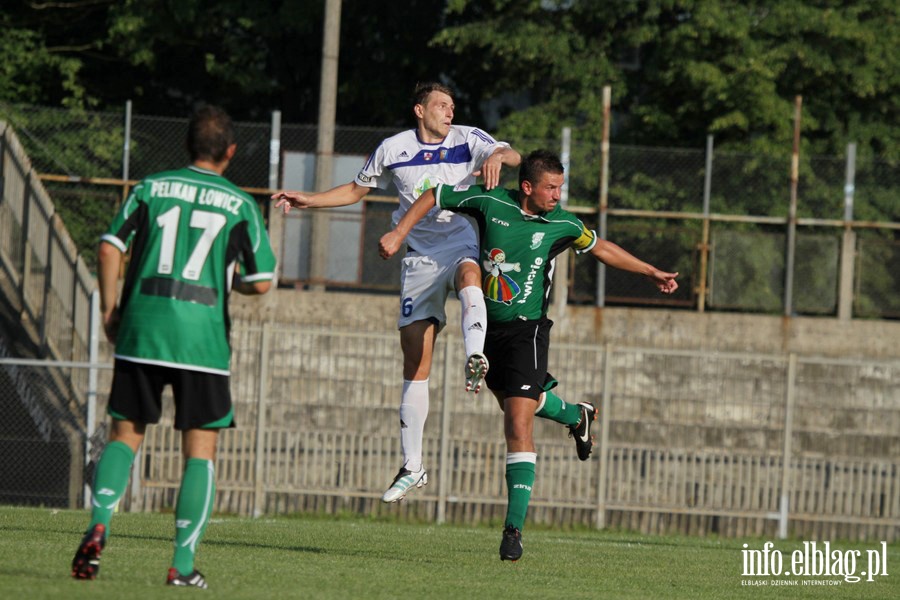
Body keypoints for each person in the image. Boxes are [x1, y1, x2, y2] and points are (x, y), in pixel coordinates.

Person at [379, 149, 679, 561]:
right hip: (486, 328)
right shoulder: (491, 202)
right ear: (527, 187)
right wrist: (399, 234)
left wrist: (651, 272)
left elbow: (602, 247)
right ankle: (577, 415)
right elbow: (434, 195)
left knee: (516, 423)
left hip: (527, 331)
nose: (558, 194)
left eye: (560, 186)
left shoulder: (562, 223)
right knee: (523, 402)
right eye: (550, 187)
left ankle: (513, 530)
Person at [272, 82, 521, 503]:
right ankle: (412, 466)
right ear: (419, 110)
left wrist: (498, 154)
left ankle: (474, 353)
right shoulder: (393, 149)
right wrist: (308, 200)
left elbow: (512, 154)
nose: (449, 110)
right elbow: (355, 190)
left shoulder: (468, 137)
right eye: (441, 105)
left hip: (460, 243)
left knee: (469, 277)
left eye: (452, 105)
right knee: (414, 358)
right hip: (420, 257)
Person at [71, 105, 277, 588]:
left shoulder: (149, 188)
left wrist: (109, 311)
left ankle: (99, 521)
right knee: (199, 454)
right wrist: (231, 283)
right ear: (229, 152)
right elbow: (262, 281)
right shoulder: (240, 203)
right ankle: (181, 565)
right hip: (202, 338)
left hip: (142, 327)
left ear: (186, 145)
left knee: (124, 436)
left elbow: (107, 247)